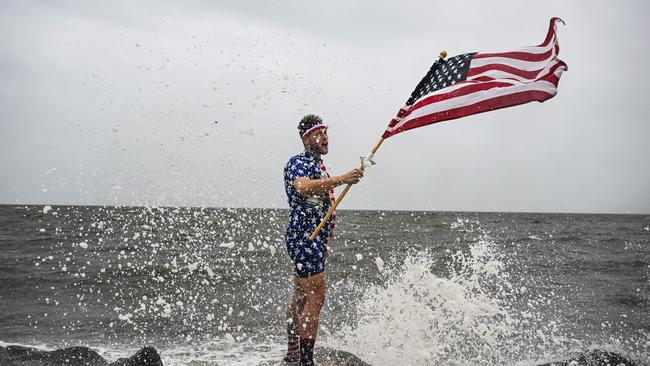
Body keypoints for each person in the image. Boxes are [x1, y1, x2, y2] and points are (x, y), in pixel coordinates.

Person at [282, 114, 363, 366]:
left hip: (312, 240)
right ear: (306, 138)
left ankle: (293, 353)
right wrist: (343, 179)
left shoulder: (317, 165)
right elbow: (303, 188)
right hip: (305, 237)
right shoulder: (298, 162)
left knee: (300, 295)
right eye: (319, 133)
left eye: (326, 132)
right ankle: (306, 361)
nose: (325, 138)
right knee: (315, 297)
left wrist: (325, 241)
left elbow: (322, 207)